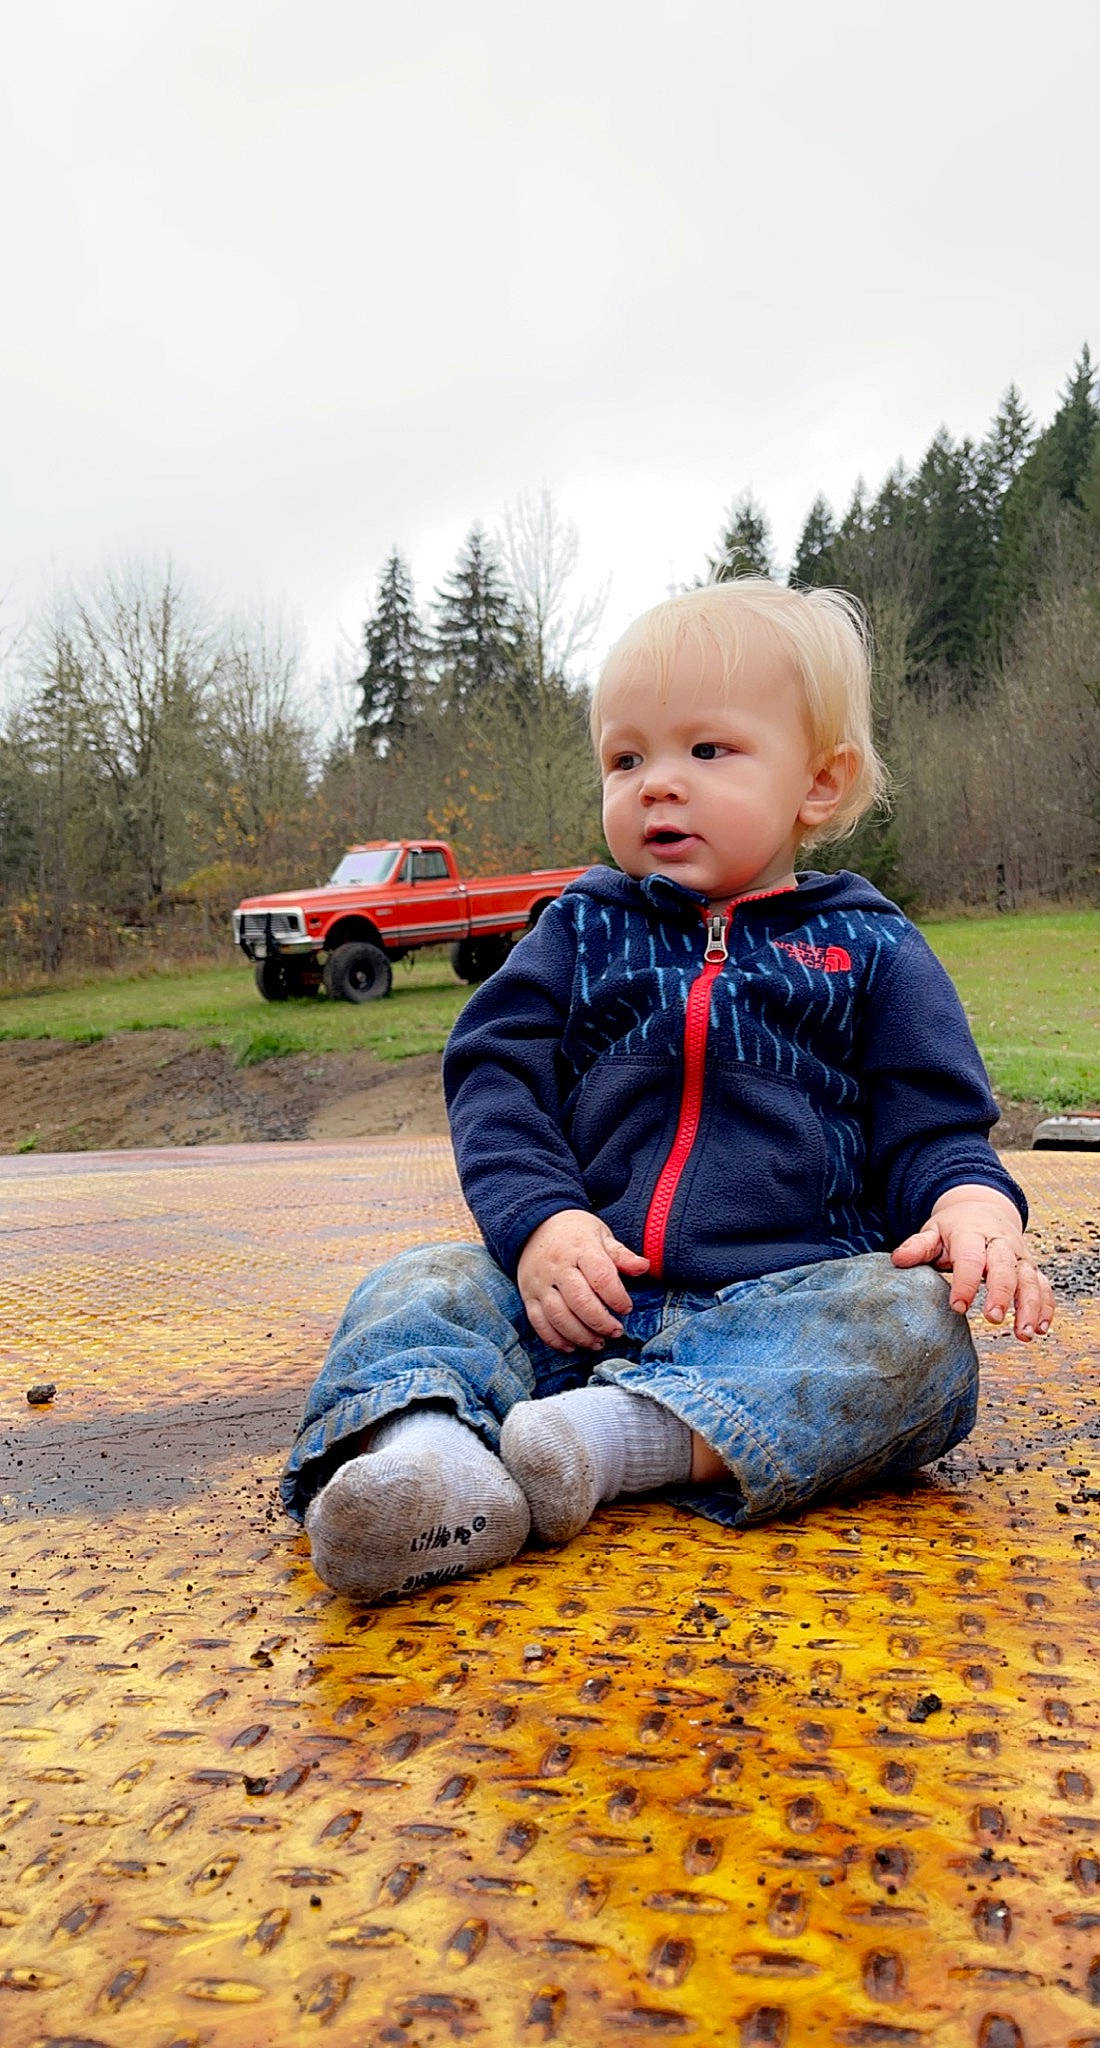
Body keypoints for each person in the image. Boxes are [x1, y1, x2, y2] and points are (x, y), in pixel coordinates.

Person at [281, 578, 1054, 1601]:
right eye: (625, 757)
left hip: (775, 1316)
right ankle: (432, 1472)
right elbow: (494, 1074)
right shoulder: (580, 930)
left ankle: (602, 1444)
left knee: (914, 1332)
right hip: (579, 1300)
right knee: (421, 1284)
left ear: (816, 784)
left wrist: (970, 1202)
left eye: (704, 750)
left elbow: (934, 1128)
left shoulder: (871, 949)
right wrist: (543, 1223)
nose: (654, 783)